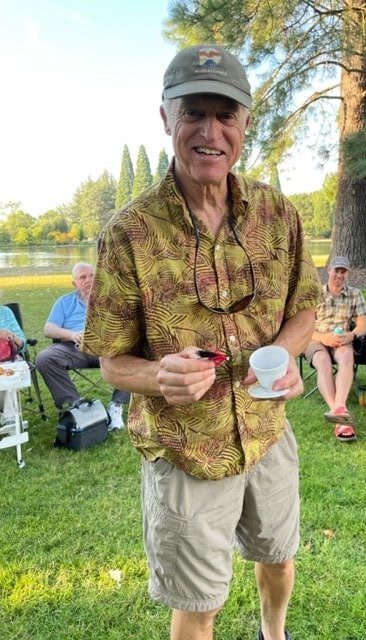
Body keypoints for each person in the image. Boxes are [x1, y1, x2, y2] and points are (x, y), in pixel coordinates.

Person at [82, 44, 321, 640]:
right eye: (194, 112)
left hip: (267, 433)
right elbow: (111, 360)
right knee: (199, 605)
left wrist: (289, 353)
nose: (210, 132)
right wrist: (158, 375)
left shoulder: (277, 214)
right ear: (166, 117)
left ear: (245, 123)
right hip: (187, 451)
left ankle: (274, 633)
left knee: (279, 557)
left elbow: (305, 306)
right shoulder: (130, 232)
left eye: (225, 114)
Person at [36, 262, 129, 428]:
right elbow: (48, 329)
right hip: (74, 347)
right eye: (82, 277)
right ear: (75, 283)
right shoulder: (64, 302)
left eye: (92, 275)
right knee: (45, 358)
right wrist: (72, 335)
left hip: (107, 348)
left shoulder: (113, 299)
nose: (88, 280)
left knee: (134, 352)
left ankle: (116, 405)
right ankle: (75, 406)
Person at [305, 256, 366, 442]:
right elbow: (304, 327)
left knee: (347, 357)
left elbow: (363, 325)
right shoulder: (314, 293)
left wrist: (351, 336)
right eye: (336, 271)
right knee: (322, 360)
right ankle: (340, 414)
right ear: (328, 271)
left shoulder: (355, 294)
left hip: (341, 338)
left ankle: (338, 408)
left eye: (343, 271)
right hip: (316, 337)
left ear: (348, 274)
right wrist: (323, 337)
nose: (339, 275)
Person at [0, 305, 26, 424]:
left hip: (8, 359)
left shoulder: (4, 312)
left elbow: (23, 345)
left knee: (8, 370)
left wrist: (11, 335)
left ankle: (10, 419)